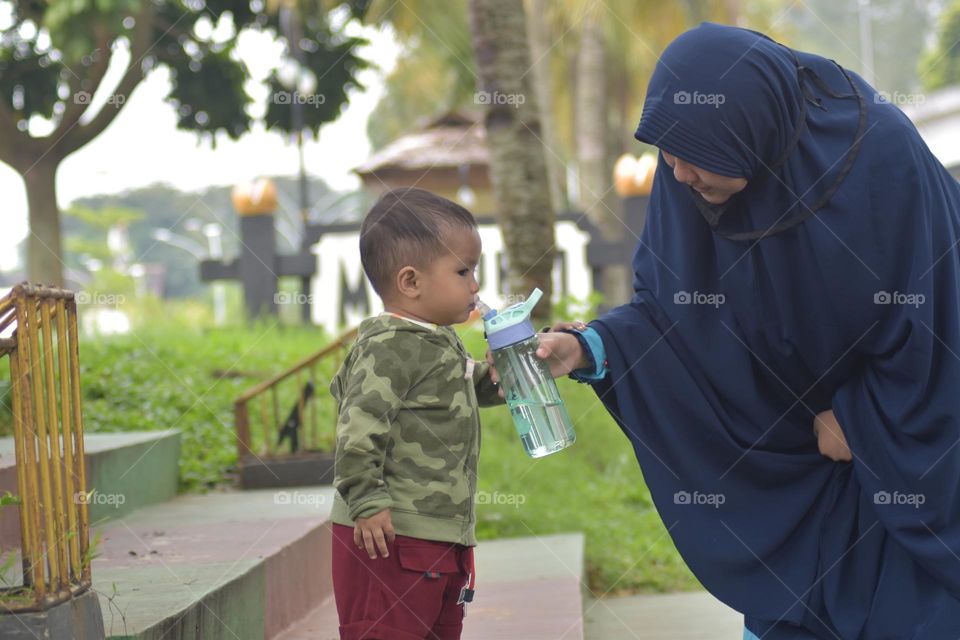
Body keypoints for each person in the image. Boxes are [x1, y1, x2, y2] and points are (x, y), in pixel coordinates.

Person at [519, 23, 960, 640]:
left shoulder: (881, 158)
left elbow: (940, 322)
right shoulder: (692, 172)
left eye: (691, 155)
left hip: (901, 472)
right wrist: (589, 347)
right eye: (665, 154)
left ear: (750, 127)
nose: (675, 175)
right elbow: (670, 316)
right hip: (790, 477)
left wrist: (859, 422)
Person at [329, 188, 502, 640]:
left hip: (438, 535)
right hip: (390, 535)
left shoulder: (436, 339)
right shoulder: (387, 346)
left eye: (474, 270)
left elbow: (468, 385)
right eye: (463, 270)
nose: (475, 285)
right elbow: (356, 431)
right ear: (411, 282)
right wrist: (367, 502)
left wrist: (518, 370)